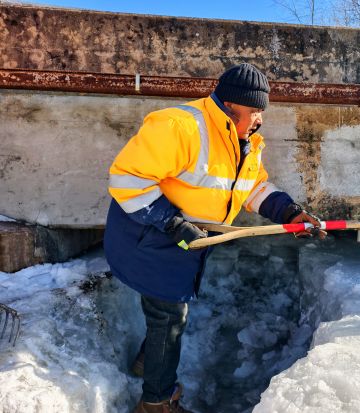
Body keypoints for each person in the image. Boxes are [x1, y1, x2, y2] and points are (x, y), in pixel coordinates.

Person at [104, 63, 326, 413]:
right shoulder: (179, 127)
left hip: (183, 240)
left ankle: (149, 361)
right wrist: (172, 223)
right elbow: (126, 180)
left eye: (261, 112)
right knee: (169, 316)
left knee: (167, 312)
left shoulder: (244, 142)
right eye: (254, 111)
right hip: (149, 234)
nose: (259, 120)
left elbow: (251, 187)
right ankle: (156, 402)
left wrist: (289, 212)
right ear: (229, 106)